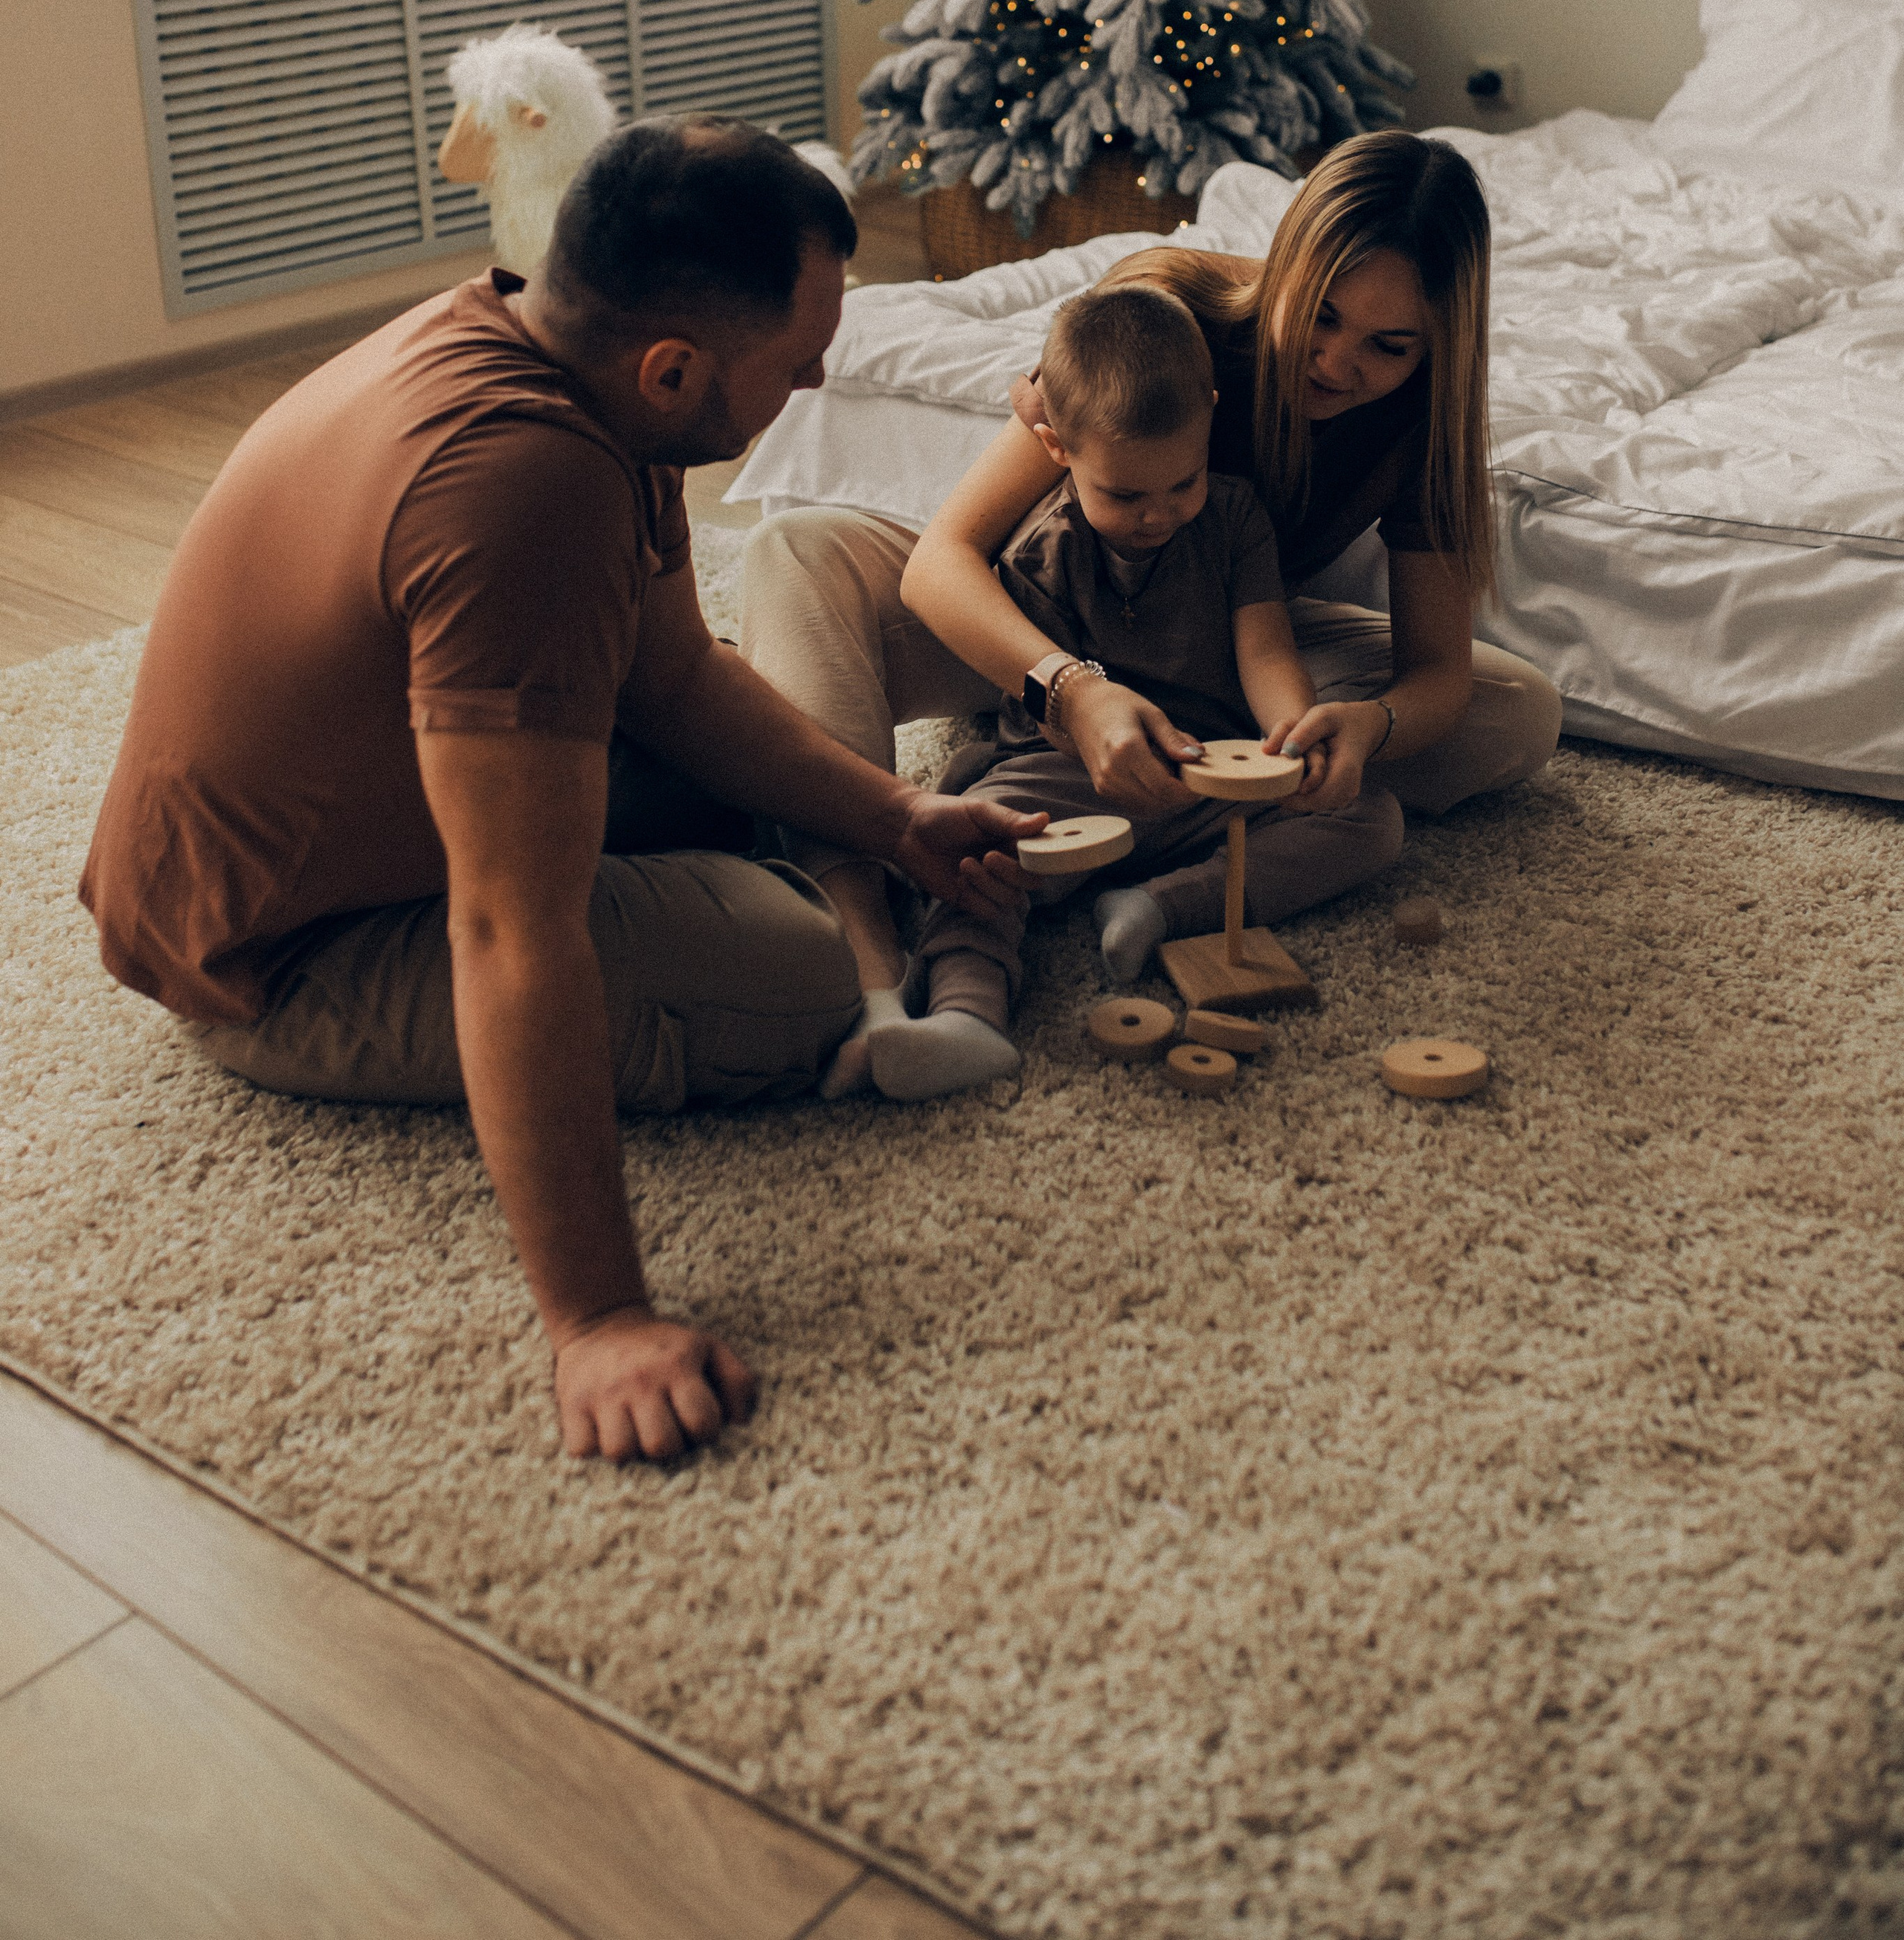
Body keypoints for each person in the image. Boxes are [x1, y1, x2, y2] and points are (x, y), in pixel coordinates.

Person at [80, 121, 1043, 1469]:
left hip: (333, 835)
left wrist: (893, 818)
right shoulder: (529, 489)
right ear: (675, 367)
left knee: (784, 783)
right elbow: (507, 927)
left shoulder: (569, 370)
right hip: (270, 957)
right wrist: (597, 1320)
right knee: (807, 969)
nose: (820, 377)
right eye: (798, 358)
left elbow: (677, 680)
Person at [739, 129, 1563, 1027]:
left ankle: (1155, 843)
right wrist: (1070, 690)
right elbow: (945, 559)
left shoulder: (1423, 426)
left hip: (1227, 652)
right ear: (1286, 263)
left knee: (1515, 710)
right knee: (798, 552)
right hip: (1045, 625)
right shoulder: (1163, 312)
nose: (1335, 363)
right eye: (1321, 315)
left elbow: (1436, 671)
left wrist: (1367, 727)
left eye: (1388, 346)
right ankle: (861, 938)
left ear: (1435, 345)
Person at [863, 281, 1404, 1100]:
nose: (1160, 515)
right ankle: (966, 1014)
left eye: (1182, 483)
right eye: (1125, 495)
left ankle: (1157, 907)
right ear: (1057, 448)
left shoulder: (1234, 518)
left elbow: (1264, 649)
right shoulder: (1041, 550)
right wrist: (1083, 731)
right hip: (1075, 774)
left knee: (1369, 819)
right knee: (979, 859)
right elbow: (1051, 709)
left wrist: (1291, 738)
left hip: (1209, 772)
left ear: (1210, 421)